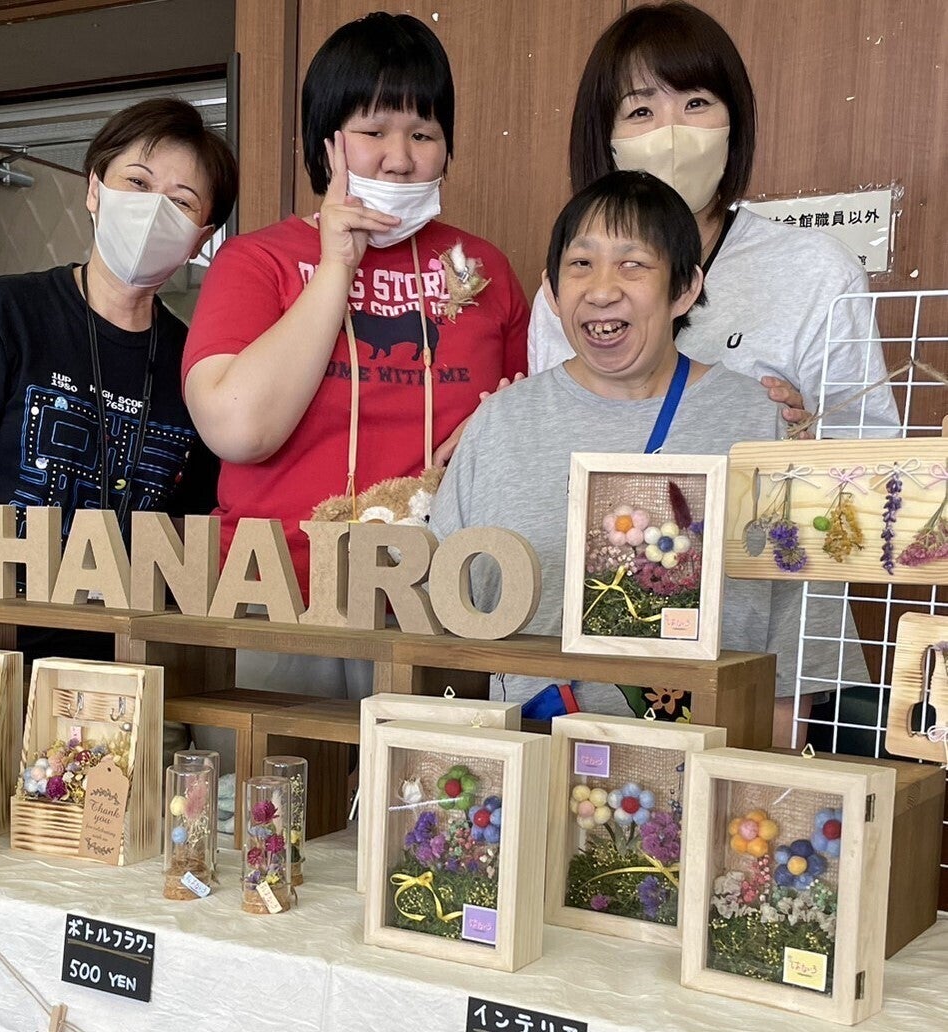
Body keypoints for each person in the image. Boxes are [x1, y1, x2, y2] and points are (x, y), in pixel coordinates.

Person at [182, 12, 529, 633]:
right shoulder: (256, 260)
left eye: (423, 134)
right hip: (272, 593)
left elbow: (531, 430)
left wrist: (490, 437)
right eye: (373, 131)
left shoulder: (485, 269)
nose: (401, 160)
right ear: (327, 143)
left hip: (439, 600)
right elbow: (239, 429)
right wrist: (336, 267)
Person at [0, 98, 238, 656]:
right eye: (137, 183)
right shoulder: (6, 313)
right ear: (94, 189)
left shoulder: (199, 364)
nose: (152, 211)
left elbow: (192, 535)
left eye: (180, 202)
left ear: (201, 237)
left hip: (132, 668)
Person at [432, 171, 785, 724]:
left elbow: (797, 632)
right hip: (530, 754)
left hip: (704, 759)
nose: (601, 290)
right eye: (581, 263)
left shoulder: (755, 421)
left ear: (685, 288)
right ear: (552, 291)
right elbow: (442, 620)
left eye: (633, 264)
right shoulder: (500, 423)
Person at [527, 1, 898, 438]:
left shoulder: (817, 271)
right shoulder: (573, 287)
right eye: (640, 111)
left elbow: (870, 449)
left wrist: (802, 440)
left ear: (734, 125)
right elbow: (552, 437)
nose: (671, 134)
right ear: (604, 138)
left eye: (697, 103)